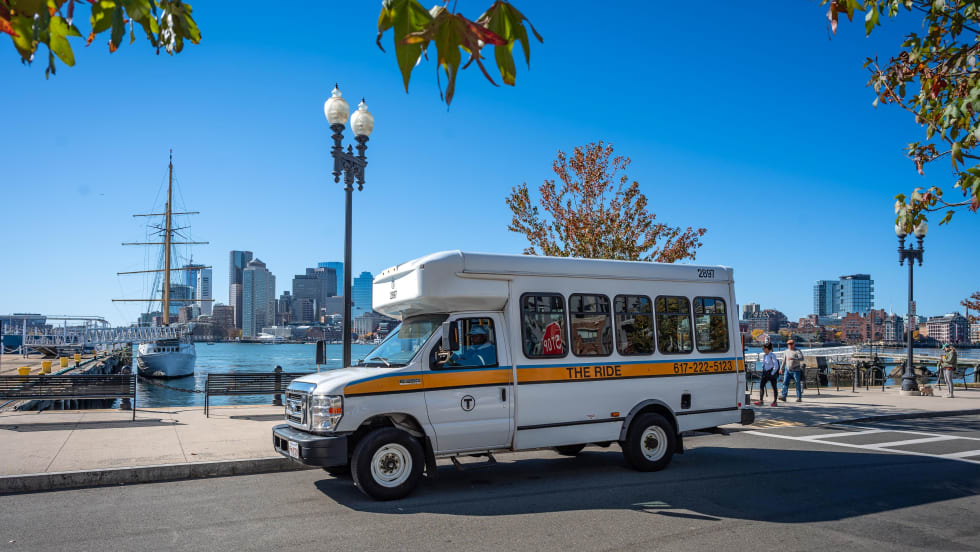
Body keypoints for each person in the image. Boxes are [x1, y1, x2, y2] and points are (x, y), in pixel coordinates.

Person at [753, 342, 780, 407]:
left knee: (774, 387)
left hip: (771, 372)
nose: (763, 350)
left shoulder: (772, 355)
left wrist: (772, 373)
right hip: (765, 372)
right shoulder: (764, 355)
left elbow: (776, 365)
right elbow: (764, 364)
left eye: (763, 348)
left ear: (767, 349)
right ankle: (761, 400)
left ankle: (775, 401)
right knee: (761, 386)